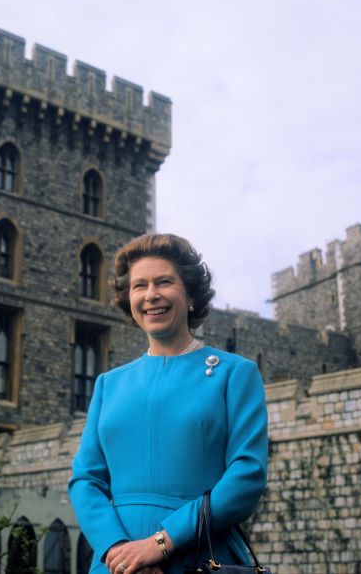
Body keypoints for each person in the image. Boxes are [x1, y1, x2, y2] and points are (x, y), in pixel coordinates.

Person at [68, 234, 268, 574]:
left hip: (199, 555)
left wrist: (161, 543)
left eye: (164, 282)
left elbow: (247, 475)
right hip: (116, 565)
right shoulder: (108, 385)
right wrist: (120, 551)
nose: (151, 295)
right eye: (139, 286)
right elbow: (85, 480)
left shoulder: (236, 374)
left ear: (190, 294)